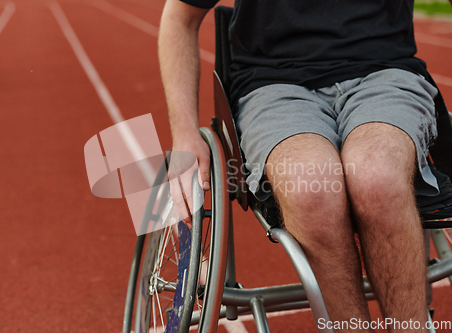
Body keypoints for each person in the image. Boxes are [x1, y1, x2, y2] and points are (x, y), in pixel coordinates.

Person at [158, 0, 449, 331]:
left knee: (377, 177)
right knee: (311, 188)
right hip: (272, 84)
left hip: (384, 71)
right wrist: (184, 136)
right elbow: (180, 17)